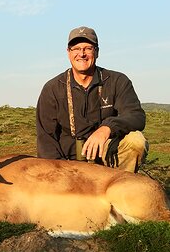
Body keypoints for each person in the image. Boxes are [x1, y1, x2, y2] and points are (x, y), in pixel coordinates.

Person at [36, 26, 148, 173]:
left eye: (88, 48)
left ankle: (121, 187)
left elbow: (136, 116)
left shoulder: (117, 81)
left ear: (97, 51)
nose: (81, 54)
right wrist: (62, 173)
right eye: (76, 48)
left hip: (108, 159)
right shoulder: (52, 89)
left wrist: (107, 128)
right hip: (68, 165)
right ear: (68, 53)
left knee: (136, 141)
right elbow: (46, 139)